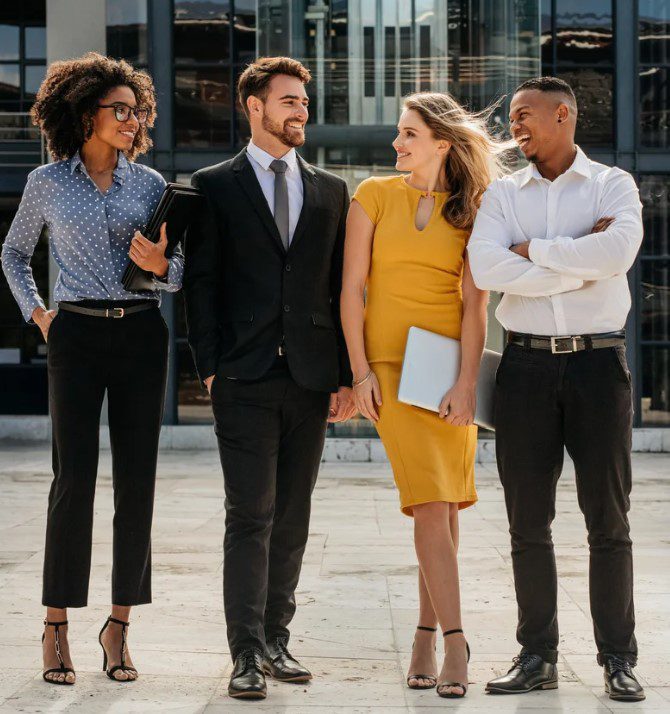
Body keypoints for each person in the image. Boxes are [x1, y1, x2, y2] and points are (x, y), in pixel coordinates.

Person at [1, 52, 182, 685]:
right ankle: (55, 625)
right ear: (85, 114)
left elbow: (181, 268)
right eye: (119, 111)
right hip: (75, 334)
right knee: (72, 479)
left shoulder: (153, 186)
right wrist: (39, 315)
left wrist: (163, 269)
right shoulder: (47, 183)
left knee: (137, 484)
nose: (131, 121)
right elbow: (14, 253)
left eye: (136, 112)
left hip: (140, 334)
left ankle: (118, 627)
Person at [468, 76, 645, 702]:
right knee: (526, 522)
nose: (515, 127)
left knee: (609, 521)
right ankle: (537, 655)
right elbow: (486, 268)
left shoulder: (612, 185)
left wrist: (536, 254)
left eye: (524, 115)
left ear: (563, 114)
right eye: (513, 117)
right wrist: (576, 263)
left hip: (599, 368)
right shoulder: (502, 194)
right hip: (524, 372)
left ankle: (618, 659)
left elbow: (619, 250)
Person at [183, 56, 355, 701]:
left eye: (304, 102)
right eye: (288, 101)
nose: (300, 111)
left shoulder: (331, 190)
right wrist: (211, 368)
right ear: (253, 107)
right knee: (249, 515)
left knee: (293, 515)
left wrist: (341, 375)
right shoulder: (213, 185)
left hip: (309, 379)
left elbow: (340, 291)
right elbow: (201, 284)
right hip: (244, 377)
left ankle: (277, 638)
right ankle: (245, 653)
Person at [341, 92, 509, 698]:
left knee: (444, 504)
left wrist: (466, 383)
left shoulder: (476, 208)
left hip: (444, 371)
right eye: (398, 133)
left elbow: (476, 305)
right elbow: (351, 290)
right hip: (388, 367)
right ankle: (458, 642)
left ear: (442, 142)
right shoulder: (371, 196)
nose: (397, 143)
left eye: (410, 133)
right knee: (430, 502)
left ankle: (422, 634)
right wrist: (359, 373)